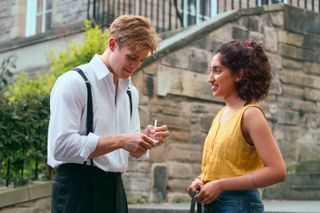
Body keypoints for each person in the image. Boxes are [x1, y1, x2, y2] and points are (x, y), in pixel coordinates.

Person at [47, 15, 169, 213]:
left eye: (141, 60)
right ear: (112, 44)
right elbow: (60, 147)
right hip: (77, 189)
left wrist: (144, 141)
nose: (135, 65)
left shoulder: (130, 92)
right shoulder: (73, 82)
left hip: (115, 190)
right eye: (131, 57)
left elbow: (132, 152)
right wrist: (121, 140)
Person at [187, 40, 286, 212]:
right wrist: (203, 180)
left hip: (239, 205)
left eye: (217, 71)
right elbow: (226, 166)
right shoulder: (221, 114)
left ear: (239, 74)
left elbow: (277, 171)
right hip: (211, 205)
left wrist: (221, 185)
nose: (210, 78)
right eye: (210, 71)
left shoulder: (251, 114)